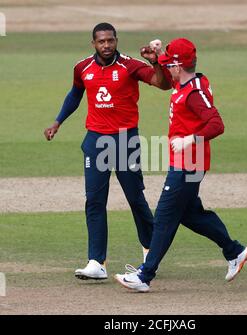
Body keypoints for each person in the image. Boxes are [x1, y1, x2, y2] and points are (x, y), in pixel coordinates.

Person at [115, 38, 247, 292]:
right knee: (190, 213)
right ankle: (235, 251)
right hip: (186, 161)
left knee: (166, 216)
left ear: (178, 66)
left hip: (189, 162)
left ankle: (145, 275)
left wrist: (190, 139)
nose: (167, 68)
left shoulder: (194, 93)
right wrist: (156, 56)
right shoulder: (186, 80)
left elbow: (216, 124)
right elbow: (167, 77)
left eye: (169, 64)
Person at [43, 23, 172, 280]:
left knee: (135, 198)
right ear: (93, 43)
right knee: (94, 201)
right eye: (101, 41)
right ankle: (96, 262)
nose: (106, 45)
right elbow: (74, 95)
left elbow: (162, 84)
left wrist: (156, 62)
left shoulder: (130, 65)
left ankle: (150, 251)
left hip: (125, 140)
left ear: (116, 40)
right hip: (95, 141)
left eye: (110, 41)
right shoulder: (82, 68)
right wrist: (58, 121)